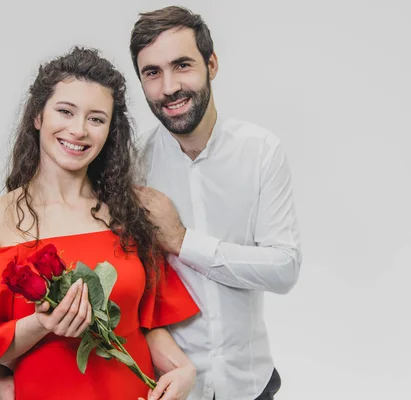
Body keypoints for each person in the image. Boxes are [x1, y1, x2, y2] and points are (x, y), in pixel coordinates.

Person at [0, 46, 199, 400]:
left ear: (109, 132)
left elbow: (145, 324)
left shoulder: (130, 212)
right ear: (38, 117)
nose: (79, 130)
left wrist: (183, 370)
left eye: (96, 118)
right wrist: (41, 323)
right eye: (65, 111)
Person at [130, 6, 303, 400]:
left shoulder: (261, 151)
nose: (169, 87)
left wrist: (181, 240)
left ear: (212, 64)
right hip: (172, 389)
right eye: (152, 73)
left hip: (251, 383)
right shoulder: (134, 169)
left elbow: (284, 268)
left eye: (182, 65)